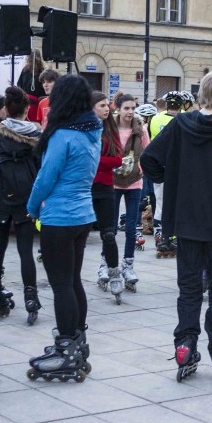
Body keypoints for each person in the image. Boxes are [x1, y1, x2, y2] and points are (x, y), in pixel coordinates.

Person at [140, 70, 212, 385]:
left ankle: (185, 344)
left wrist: (173, 179)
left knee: (188, 288)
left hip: (185, 220)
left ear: (201, 96)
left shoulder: (179, 125)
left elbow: (149, 159)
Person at [26, 74, 101, 382]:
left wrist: (31, 207)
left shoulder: (63, 135)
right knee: (72, 281)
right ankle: (78, 340)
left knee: (60, 285)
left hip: (59, 216)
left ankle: (65, 347)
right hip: (83, 215)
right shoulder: (91, 133)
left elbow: (46, 177)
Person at [0, 86, 42, 324]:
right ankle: (31, 297)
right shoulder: (37, 136)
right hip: (26, 199)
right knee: (25, 251)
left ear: (6, 109)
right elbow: (41, 170)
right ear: (27, 109)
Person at [113, 94, 148, 291]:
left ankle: (128, 265)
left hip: (134, 181)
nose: (130, 112)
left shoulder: (140, 130)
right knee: (110, 227)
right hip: (113, 181)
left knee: (131, 227)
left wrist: (140, 168)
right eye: (126, 108)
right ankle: (106, 264)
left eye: (133, 108)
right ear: (118, 108)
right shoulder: (110, 128)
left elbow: (146, 151)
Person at [91, 91, 125, 299]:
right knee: (78, 235)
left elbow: (118, 159)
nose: (107, 109)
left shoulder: (109, 128)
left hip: (104, 187)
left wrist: (96, 161)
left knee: (109, 234)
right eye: (102, 105)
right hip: (84, 188)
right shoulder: (83, 129)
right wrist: (100, 160)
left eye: (107, 105)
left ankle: (114, 274)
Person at [148, 91, 183, 256]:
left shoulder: (155, 119)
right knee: (172, 203)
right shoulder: (179, 122)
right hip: (174, 167)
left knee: (159, 202)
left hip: (158, 164)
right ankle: (170, 236)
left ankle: (159, 235)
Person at [16, 50, 46, 122]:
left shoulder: (42, 71)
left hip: (36, 103)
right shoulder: (25, 70)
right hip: (26, 101)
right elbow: (19, 84)